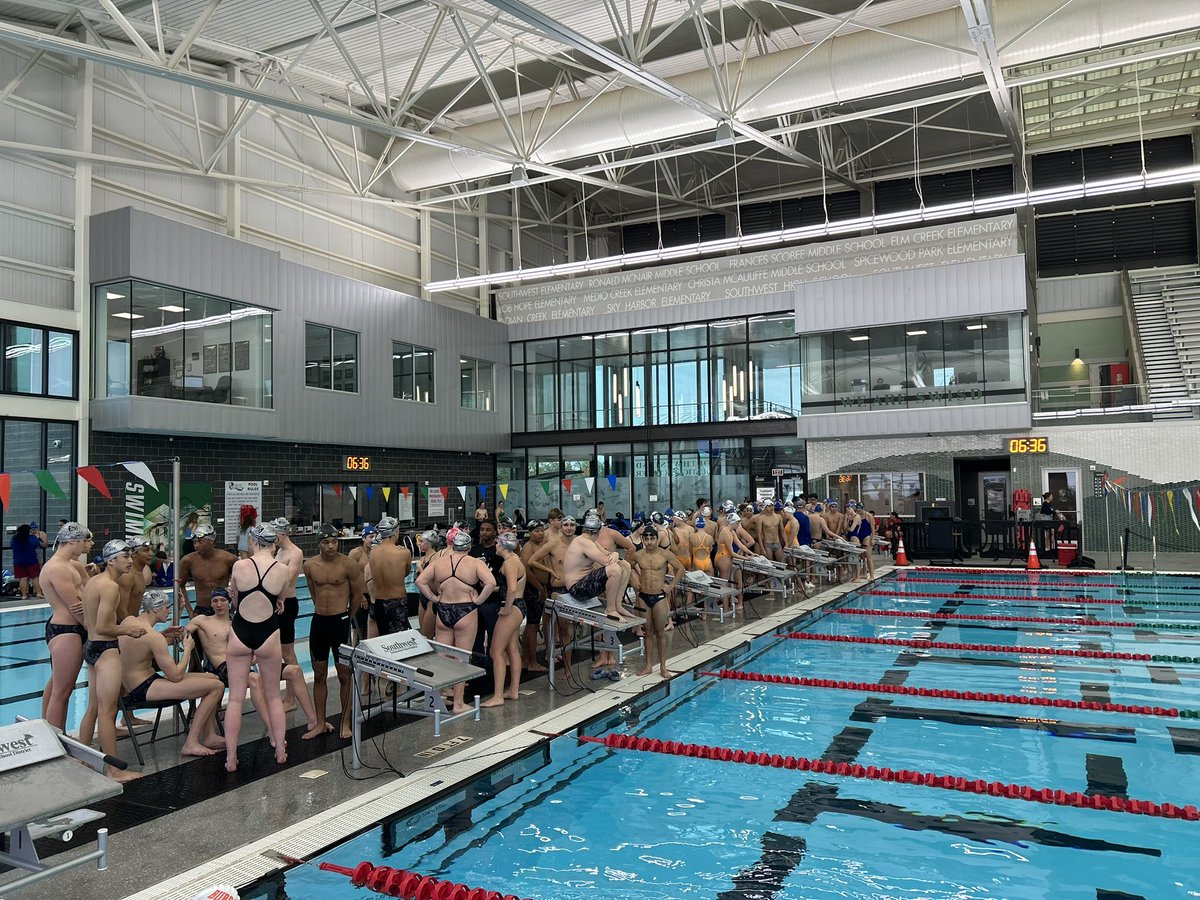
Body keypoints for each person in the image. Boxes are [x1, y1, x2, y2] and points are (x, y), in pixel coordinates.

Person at [189, 587, 329, 739]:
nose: (219, 604)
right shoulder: (202, 621)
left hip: (248, 665)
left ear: (229, 602)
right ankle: (273, 731)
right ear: (210, 604)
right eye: (215, 601)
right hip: (225, 668)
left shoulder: (238, 622)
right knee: (254, 678)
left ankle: (314, 721)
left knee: (294, 671)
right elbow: (181, 633)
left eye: (222, 600)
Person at [118, 589, 225, 757]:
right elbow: (176, 676)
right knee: (217, 687)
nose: (169, 610)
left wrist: (164, 633)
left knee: (213, 677)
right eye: (167, 607)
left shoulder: (129, 621)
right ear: (155, 609)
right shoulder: (154, 637)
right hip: (144, 689)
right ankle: (191, 743)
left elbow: (143, 646)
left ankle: (210, 735)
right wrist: (188, 649)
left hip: (136, 684)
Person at [78, 540, 145, 782]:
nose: (130, 560)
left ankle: (81, 759)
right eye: (125, 556)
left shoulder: (93, 582)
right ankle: (114, 770)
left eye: (130, 556)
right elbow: (106, 626)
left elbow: (90, 624)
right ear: (111, 560)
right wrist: (129, 631)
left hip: (91, 647)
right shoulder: (109, 587)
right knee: (107, 711)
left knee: (94, 708)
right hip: (105, 650)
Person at [224, 523, 289, 773]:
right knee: (273, 696)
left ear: (253, 542)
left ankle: (231, 759)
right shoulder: (282, 568)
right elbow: (280, 600)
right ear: (274, 544)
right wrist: (277, 602)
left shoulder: (239, 566)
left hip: (240, 632)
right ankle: (281, 751)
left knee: (236, 699)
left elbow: (236, 599)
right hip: (268, 633)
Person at [415, 529, 497, 714]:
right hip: (465, 610)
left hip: (443, 610)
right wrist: (478, 600)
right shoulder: (474, 563)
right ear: (468, 547)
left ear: (452, 545)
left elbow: (420, 581)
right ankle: (459, 703)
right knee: (461, 657)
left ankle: (440, 697)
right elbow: (490, 583)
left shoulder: (440, 562)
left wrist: (433, 598)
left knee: (442, 657)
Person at [303, 526, 366, 739]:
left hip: (340, 623)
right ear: (318, 543)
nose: (331, 546)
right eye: (326, 542)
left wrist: (348, 616)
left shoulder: (348, 564)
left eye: (334, 542)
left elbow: (358, 594)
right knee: (319, 675)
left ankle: (345, 723)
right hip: (319, 622)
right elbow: (313, 591)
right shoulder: (310, 565)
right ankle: (320, 723)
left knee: (344, 674)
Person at [39, 522, 93, 730]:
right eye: (84, 541)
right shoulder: (56, 568)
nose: (87, 545)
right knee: (62, 691)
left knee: (56, 685)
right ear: (72, 541)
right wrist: (93, 630)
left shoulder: (73, 565)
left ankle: (48, 732)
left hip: (74, 629)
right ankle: (57, 740)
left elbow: (87, 593)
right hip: (65, 631)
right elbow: (75, 607)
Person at [629, 527, 684, 679]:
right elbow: (626, 567)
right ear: (643, 540)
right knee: (648, 632)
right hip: (644, 596)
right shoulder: (638, 555)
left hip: (659, 597)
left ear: (656, 539)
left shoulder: (665, 554)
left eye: (652, 538)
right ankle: (648, 666)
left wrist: (671, 586)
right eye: (646, 539)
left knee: (660, 633)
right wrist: (633, 580)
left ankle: (663, 666)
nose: (649, 541)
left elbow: (681, 569)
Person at [482, 532, 525, 708]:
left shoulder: (510, 562)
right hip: (518, 606)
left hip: (512, 608)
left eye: (497, 543)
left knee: (495, 652)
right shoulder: (515, 559)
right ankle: (513, 690)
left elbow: (512, 589)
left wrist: (506, 609)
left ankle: (498, 696)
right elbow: (508, 586)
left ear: (502, 545)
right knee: (512, 649)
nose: (495, 546)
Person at [269, 517, 304, 711]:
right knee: (277, 652)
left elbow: (289, 580)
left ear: (282, 534)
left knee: (287, 652)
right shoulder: (279, 551)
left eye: (274, 535)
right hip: (277, 604)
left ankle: (291, 700)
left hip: (287, 605)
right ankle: (283, 696)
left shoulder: (295, 552)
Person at [175, 524, 236, 618]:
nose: (196, 545)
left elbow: (241, 584)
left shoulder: (228, 559)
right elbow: (180, 585)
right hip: (201, 609)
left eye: (200, 542)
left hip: (223, 609)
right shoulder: (188, 560)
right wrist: (190, 611)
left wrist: (234, 607)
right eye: (194, 542)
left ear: (211, 541)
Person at [369, 516, 413, 636]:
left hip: (378, 603)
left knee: (384, 641)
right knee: (399, 643)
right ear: (395, 532)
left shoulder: (373, 552)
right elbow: (406, 573)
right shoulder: (404, 553)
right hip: (397, 603)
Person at [469, 519, 506, 656]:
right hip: (477, 598)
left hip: (493, 599)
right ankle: (478, 661)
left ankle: (491, 662)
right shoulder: (474, 550)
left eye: (488, 529)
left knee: (493, 633)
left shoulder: (498, 551)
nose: (484, 532)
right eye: (482, 529)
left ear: (495, 532)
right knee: (476, 634)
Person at [518, 521, 548, 672]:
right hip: (533, 589)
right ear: (530, 532)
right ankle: (533, 662)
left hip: (537, 588)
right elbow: (527, 571)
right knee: (533, 625)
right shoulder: (529, 547)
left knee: (531, 625)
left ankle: (525, 659)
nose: (540, 533)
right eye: (537, 531)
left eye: (542, 530)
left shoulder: (540, 545)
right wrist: (539, 588)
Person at [413, 529, 443, 639]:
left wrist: (420, 569)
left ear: (429, 544)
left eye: (422, 542)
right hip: (423, 598)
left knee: (427, 634)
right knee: (422, 634)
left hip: (431, 598)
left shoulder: (435, 558)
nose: (419, 544)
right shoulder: (423, 558)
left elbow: (432, 583)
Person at [10, 522, 44, 600]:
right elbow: (37, 545)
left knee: (23, 578)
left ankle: (24, 595)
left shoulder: (14, 539)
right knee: (35, 577)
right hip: (31, 560)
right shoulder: (32, 538)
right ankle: (39, 593)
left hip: (18, 561)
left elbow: (11, 546)